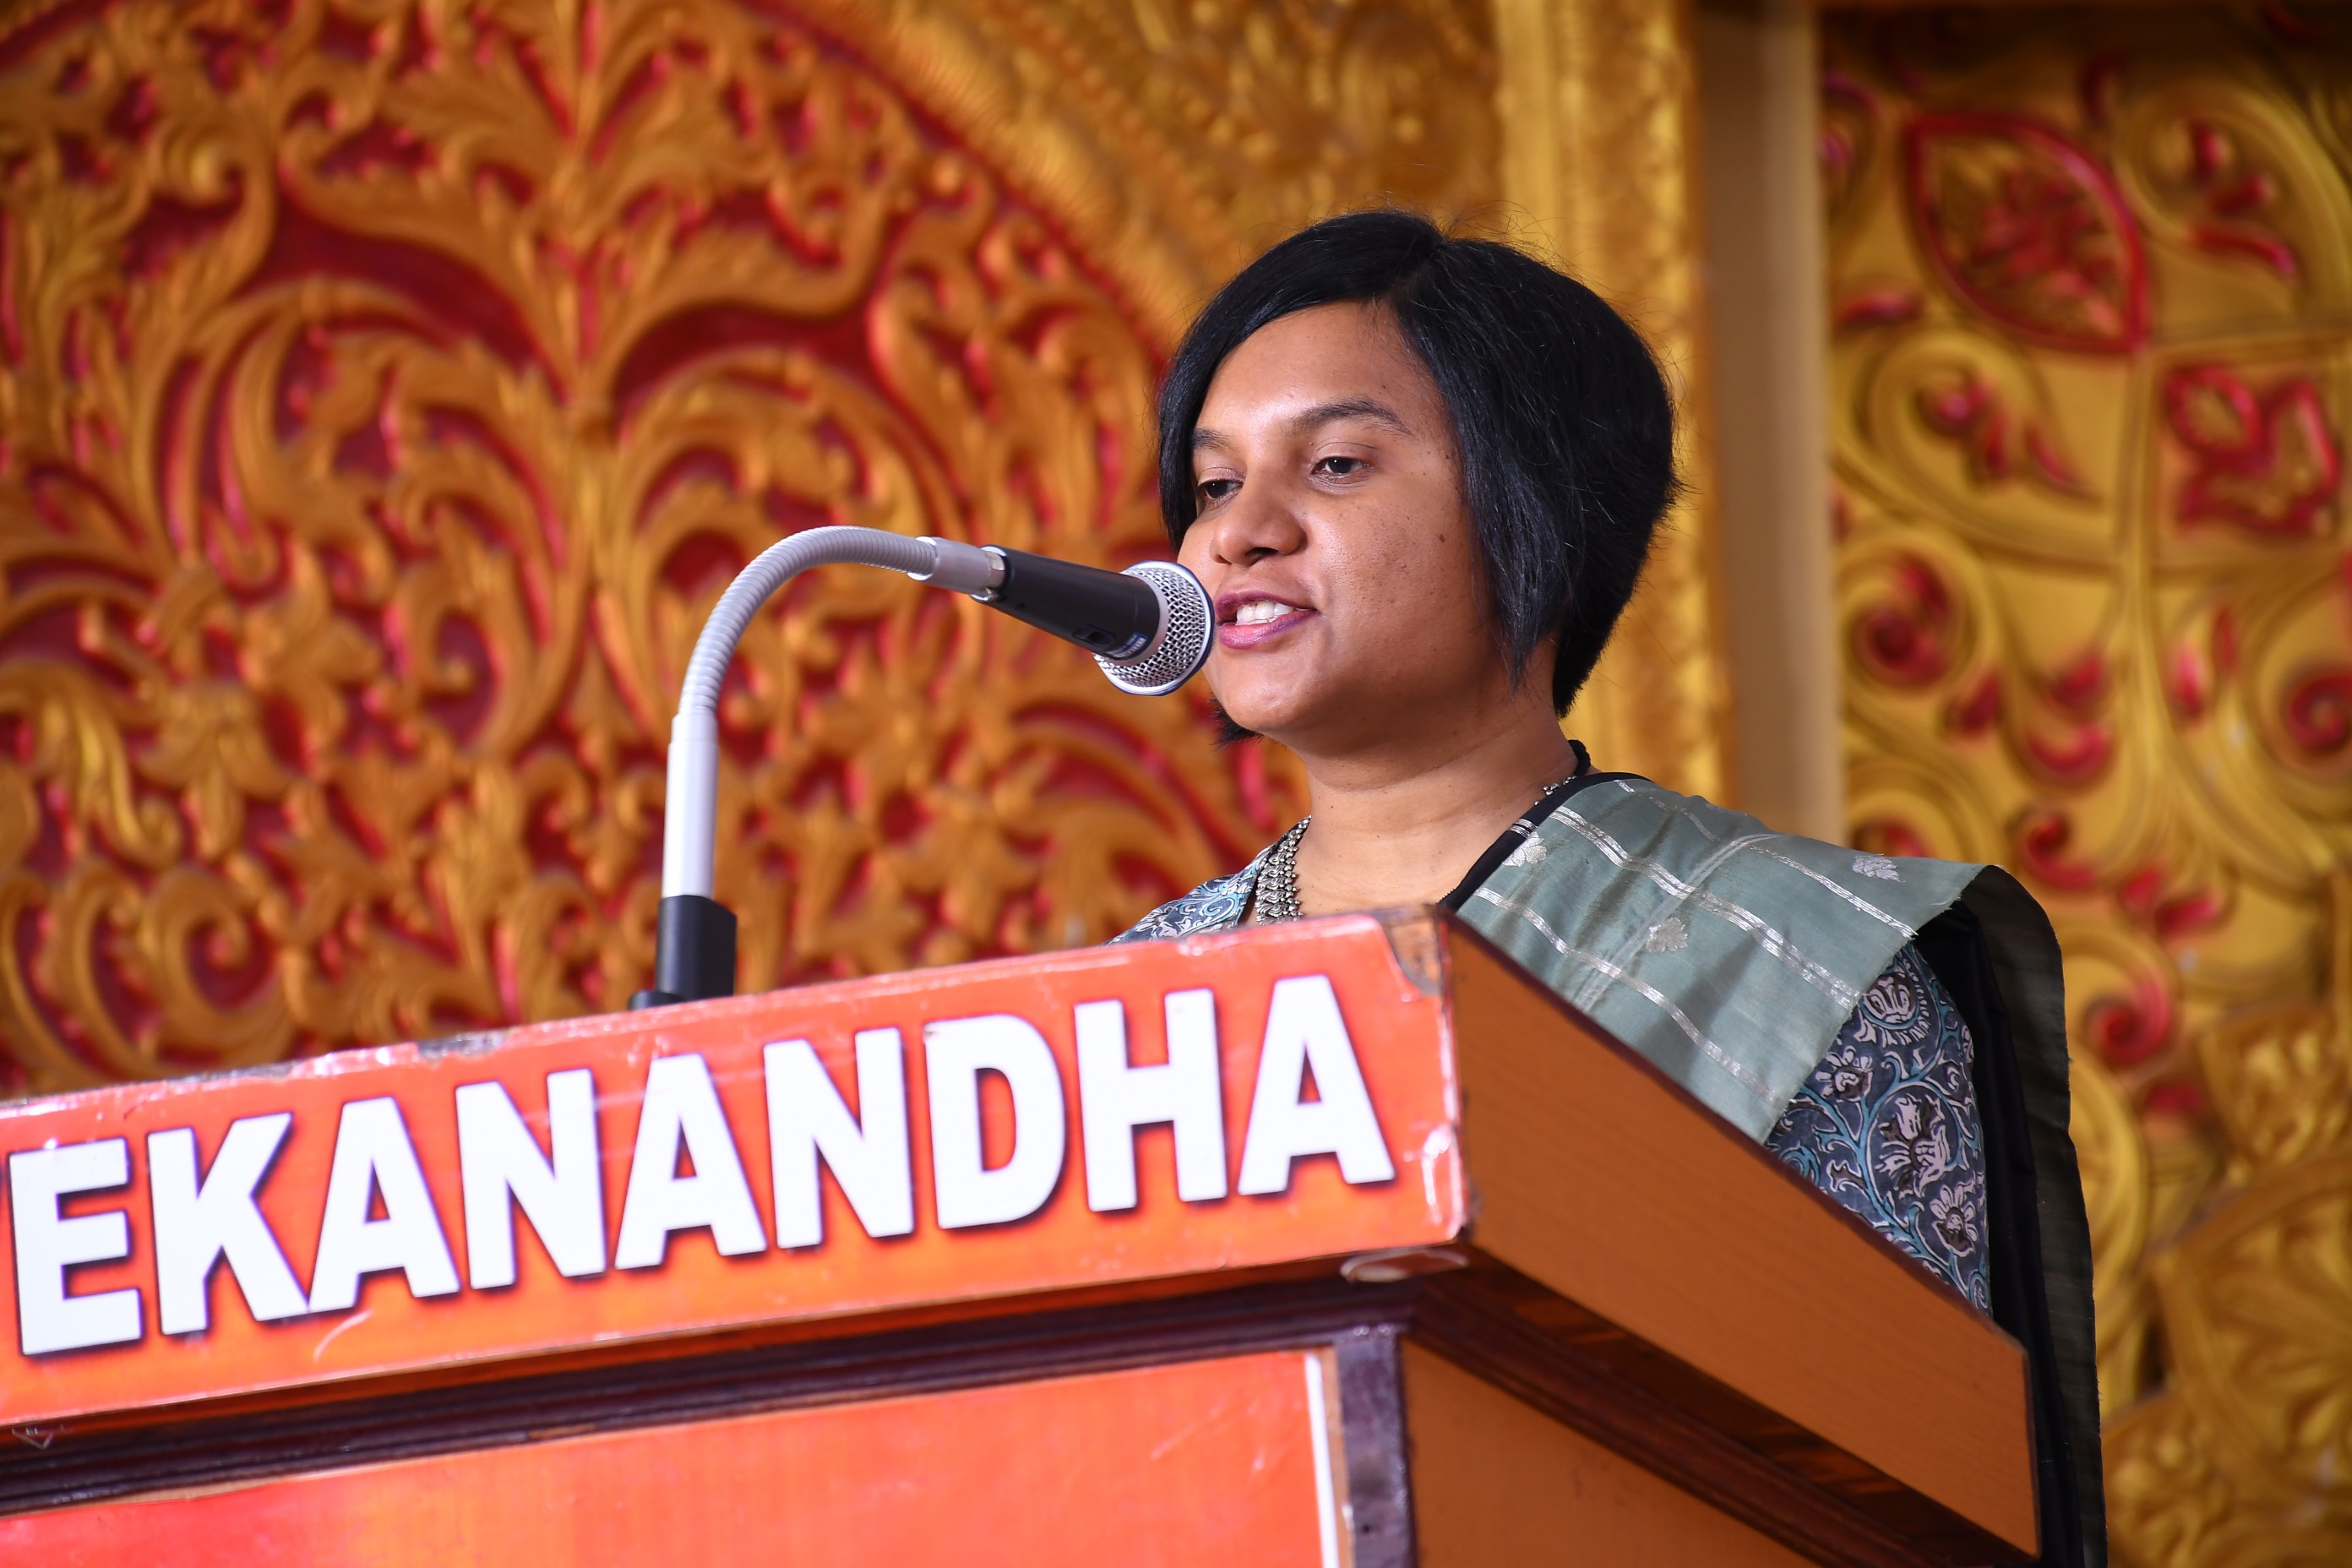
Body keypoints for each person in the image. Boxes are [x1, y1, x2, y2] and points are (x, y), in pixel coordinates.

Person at [1113, 210, 2102, 1566]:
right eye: (1215, 484)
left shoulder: (1796, 965)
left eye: (1335, 464)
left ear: (1542, 512)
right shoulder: (1136, 997)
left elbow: (1903, 1488)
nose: (1238, 535)